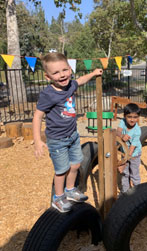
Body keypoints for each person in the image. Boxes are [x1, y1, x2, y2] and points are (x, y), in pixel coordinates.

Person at [33, 52, 103, 213]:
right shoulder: (48, 94)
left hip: (73, 135)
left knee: (76, 164)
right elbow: (37, 116)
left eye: (64, 70)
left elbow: (81, 80)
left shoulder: (71, 85)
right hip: (57, 139)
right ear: (47, 76)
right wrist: (37, 140)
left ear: (70, 69)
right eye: (56, 73)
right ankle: (58, 198)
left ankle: (70, 190)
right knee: (62, 170)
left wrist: (93, 73)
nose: (62, 75)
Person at [116, 103, 142, 193]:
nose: (132, 120)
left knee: (134, 174)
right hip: (124, 153)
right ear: (124, 116)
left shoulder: (137, 131)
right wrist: (122, 135)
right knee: (125, 174)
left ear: (138, 117)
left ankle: (137, 192)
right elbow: (117, 131)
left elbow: (131, 149)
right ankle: (125, 192)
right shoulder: (122, 122)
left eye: (135, 117)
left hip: (134, 154)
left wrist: (124, 162)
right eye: (129, 117)